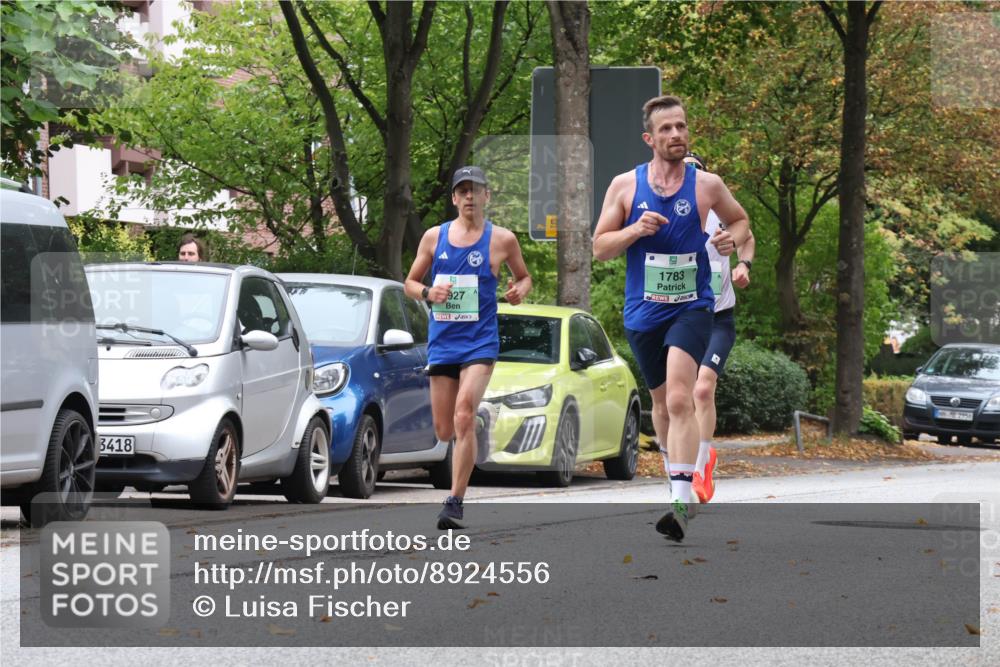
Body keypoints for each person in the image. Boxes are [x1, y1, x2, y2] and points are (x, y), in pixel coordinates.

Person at [592, 95, 750, 542]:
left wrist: (727, 240)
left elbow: (741, 223)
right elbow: (600, 247)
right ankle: (676, 472)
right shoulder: (625, 186)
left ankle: (680, 504)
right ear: (650, 138)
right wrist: (635, 230)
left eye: (681, 126)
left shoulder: (707, 185)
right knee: (660, 405)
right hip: (643, 312)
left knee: (683, 398)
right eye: (666, 129)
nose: (676, 134)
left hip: (692, 307)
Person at [404, 166, 532, 530]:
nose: (470, 197)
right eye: (463, 191)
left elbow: (524, 278)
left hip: (480, 342)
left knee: (463, 414)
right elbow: (409, 283)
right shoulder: (434, 237)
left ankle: (455, 501)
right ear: (455, 199)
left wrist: (518, 291)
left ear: (487, 196)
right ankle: (471, 435)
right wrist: (429, 293)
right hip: (444, 343)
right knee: (445, 429)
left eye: (477, 190)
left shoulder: (502, 240)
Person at [681, 151, 756, 504]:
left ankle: (702, 465)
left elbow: (748, 236)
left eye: (698, 171)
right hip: (681, 320)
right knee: (678, 397)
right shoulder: (671, 217)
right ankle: (681, 464)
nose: (692, 176)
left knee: (702, 390)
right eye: (686, 171)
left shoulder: (719, 218)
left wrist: (744, 266)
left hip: (718, 319)